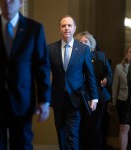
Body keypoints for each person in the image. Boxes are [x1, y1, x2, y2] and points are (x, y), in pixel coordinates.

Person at [0, 0, 51, 149]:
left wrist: (44, 100)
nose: (7, 3)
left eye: (12, 0)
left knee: (22, 144)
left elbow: (42, 67)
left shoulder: (34, 29)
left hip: (22, 100)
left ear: (21, 3)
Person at [47, 16, 99, 150]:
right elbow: (45, 75)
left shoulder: (83, 49)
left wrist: (94, 97)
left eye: (69, 25)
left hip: (75, 99)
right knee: (61, 133)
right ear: (59, 28)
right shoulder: (51, 49)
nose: (66, 28)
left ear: (74, 28)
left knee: (72, 134)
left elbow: (90, 74)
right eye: (63, 26)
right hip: (58, 99)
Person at [75, 31, 113, 150]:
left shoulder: (100, 56)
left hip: (98, 97)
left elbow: (109, 73)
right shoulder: (73, 58)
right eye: (80, 42)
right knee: (81, 129)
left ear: (91, 44)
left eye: (85, 42)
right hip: (80, 98)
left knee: (95, 129)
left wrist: (106, 79)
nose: (83, 44)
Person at [112, 45, 131, 150]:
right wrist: (113, 103)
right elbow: (114, 86)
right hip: (123, 101)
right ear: (127, 54)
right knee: (124, 127)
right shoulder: (119, 67)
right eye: (130, 52)